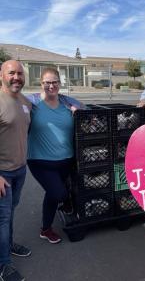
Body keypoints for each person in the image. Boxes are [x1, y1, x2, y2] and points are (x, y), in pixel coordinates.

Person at [26, 67, 84, 244]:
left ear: (60, 83)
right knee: (58, 193)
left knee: (53, 193)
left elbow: (89, 114)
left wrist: (78, 112)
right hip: (40, 160)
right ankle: (57, 211)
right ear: (41, 84)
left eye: (54, 82)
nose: (51, 86)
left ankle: (46, 228)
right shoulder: (32, 103)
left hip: (66, 159)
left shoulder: (68, 102)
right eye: (47, 83)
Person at [0, 60, 31, 281]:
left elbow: (53, 99)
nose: (16, 77)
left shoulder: (25, 102)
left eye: (20, 73)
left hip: (20, 170)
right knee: (3, 217)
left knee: (10, 213)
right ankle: (4, 266)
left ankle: (8, 245)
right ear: (1, 75)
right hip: (2, 174)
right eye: (11, 73)